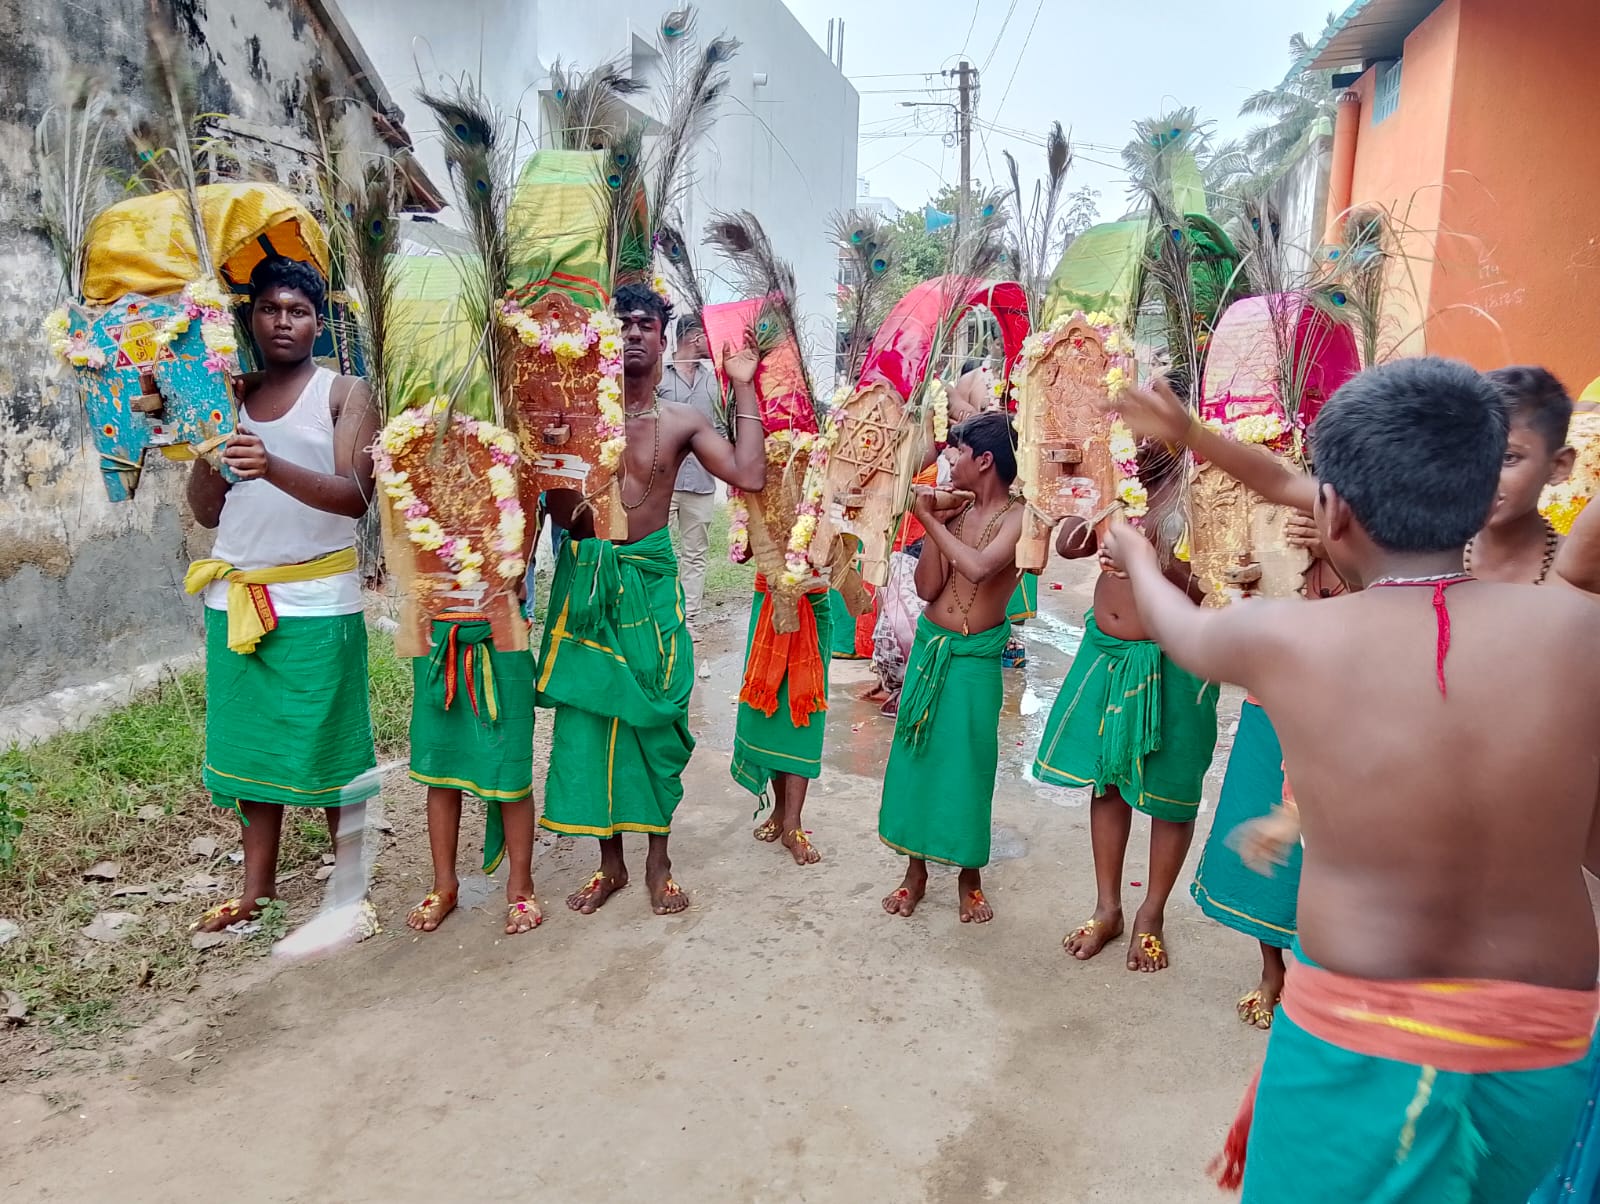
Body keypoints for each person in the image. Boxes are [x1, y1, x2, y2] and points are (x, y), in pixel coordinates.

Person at [1100, 357, 1600, 1202]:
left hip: (1362, 1025)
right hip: (1546, 1035)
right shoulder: (1581, 628)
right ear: (1486, 488)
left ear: (1330, 514)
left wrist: (1135, 554)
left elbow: (1181, 631)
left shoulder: (1285, 637)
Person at [539, 283, 765, 915]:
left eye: (646, 323)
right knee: (593, 721)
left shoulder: (683, 421)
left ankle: (658, 861)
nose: (634, 332)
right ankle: (609, 864)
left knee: (659, 717)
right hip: (590, 579)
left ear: (664, 339)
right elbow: (555, 509)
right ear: (605, 338)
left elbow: (749, 474)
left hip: (651, 577)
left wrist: (744, 384)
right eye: (623, 323)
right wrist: (555, 451)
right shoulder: (572, 417)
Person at [184, 257, 381, 933]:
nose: (283, 322)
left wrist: (270, 464)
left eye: (298, 311)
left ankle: (350, 889)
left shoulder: (344, 393)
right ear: (251, 319)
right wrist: (213, 444)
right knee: (249, 751)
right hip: (236, 596)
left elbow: (355, 497)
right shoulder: (229, 396)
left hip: (317, 596)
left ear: (318, 323)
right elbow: (207, 511)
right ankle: (257, 892)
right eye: (269, 308)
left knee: (333, 746)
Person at [1032, 437, 1219, 972]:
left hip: (1177, 659)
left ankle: (1150, 914)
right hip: (1108, 652)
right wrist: (1074, 496)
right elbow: (1071, 546)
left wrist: (1145, 562)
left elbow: (1216, 582)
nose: (1139, 438)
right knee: (1108, 779)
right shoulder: (1115, 476)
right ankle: (1107, 908)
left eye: (1149, 423)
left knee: (1171, 793)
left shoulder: (1205, 492)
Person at [878, 410, 1024, 925]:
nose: (949, 461)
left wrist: (930, 522)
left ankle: (969, 877)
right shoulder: (957, 512)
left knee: (969, 765)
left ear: (984, 461)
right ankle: (914, 871)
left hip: (974, 658)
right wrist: (937, 522)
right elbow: (926, 589)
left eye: (957, 452)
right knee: (917, 756)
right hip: (931, 648)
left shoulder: (1019, 517)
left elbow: (981, 569)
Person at [404, 593, 541, 937]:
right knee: (442, 768)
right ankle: (443, 885)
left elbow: (517, 583)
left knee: (510, 766)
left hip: (502, 634)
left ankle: (521, 887)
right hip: (437, 637)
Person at [735, 555, 834, 867]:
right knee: (769, 714)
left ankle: (793, 823)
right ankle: (780, 811)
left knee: (802, 715)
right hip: (768, 602)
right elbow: (741, 554)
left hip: (811, 602)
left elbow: (835, 553)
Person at [656, 314, 720, 625]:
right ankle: (660, 615)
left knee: (695, 554)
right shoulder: (659, 377)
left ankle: (689, 618)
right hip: (662, 483)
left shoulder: (714, 380)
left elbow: (721, 428)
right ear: (695, 338)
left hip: (702, 483)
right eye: (707, 336)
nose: (712, 343)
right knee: (658, 551)